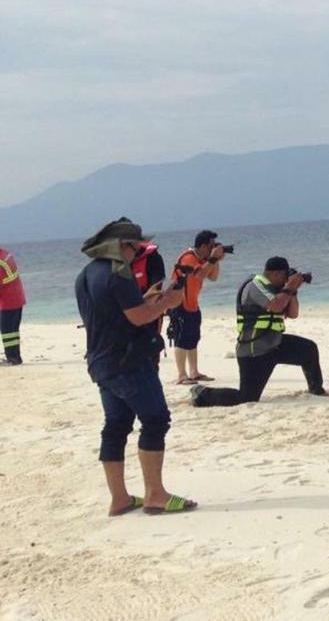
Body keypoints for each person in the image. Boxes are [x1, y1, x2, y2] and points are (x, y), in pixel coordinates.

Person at [75, 218, 196, 515]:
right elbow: (139, 318)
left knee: (115, 426)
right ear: (122, 246)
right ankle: (155, 494)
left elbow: (114, 312)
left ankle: (120, 498)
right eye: (137, 246)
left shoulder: (86, 274)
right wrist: (168, 301)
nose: (139, 251)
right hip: (128, 361)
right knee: (156, 420)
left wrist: (147, 299)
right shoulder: (119, 273)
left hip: (100, 361)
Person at [191, 257, 329, 406]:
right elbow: (275, 305)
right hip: (254, 351)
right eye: (284, 277)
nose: (285, 282)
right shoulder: (255, 285)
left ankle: (317, 390)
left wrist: (293, 290)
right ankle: (202, 393)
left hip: (275, 345)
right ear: (276, 274)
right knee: (247, 397)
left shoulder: (280, 290)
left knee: (308, 349)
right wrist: (290, 287)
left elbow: (293, 314)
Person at [167, 231, 226, 385]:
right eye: (212, 246)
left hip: (193, 303)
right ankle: (181, 375)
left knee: (193, 338)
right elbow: (199, 275)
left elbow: (213, 277)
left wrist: (216, 260)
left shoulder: (203, 260)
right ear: (203, 246)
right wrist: (213, 258)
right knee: (181, 339)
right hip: (179, 302)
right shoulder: (188, 258)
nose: (213, 248)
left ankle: (194, 372)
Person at [131, 241, 168, 368]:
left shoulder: (153, 258)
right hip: (126, 312)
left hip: (150, 312)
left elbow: (156, 289)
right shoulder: (118, 261)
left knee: (150, 351)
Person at [1, 245, 28, 364]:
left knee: (8, 332)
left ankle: (13, 358)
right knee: (12, 330)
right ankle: (15, 356)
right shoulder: (5, 255)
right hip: (16, 297)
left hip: (9, 301)